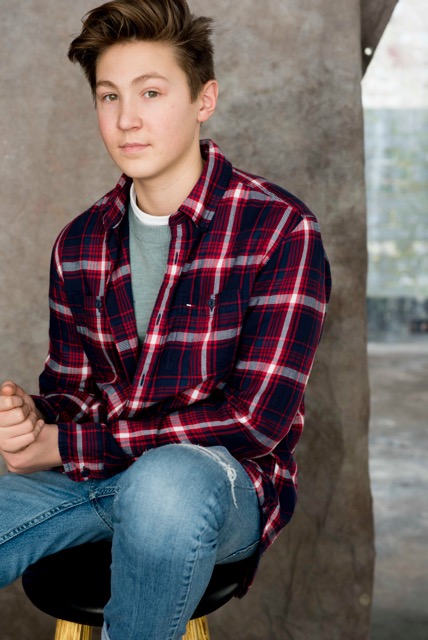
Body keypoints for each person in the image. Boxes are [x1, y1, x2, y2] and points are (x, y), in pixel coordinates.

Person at [0, 1, 331, 638]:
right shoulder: (79, 242)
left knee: (163, 483)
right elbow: (75, 395)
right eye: (109, 96)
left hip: (216, 488)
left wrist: (65, 445)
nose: (127, 118)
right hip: (97, 477)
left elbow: (253, 422)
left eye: (151, 92)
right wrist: (33, 420)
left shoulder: (279, 228)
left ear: (205, 99)